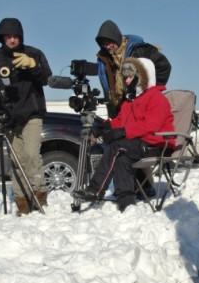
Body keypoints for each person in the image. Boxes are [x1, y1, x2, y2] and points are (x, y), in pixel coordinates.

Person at [73, 57, 174, 212]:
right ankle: (126, 202)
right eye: (125, 77)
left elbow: (151, 125)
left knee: (117, 146)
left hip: (158, 143)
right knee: (121, 157)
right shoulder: (130, 101)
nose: (126, 81)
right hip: (139, 143)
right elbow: (120, 121)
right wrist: (104, 126)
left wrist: (123, 132)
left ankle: (95, 189)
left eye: (130, 77)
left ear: (142, 76)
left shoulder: (157, 98)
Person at [0, 17, 52, 214]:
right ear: (2, 37)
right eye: (8, 36)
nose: (12, 40)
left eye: (16, 36)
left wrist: (32, 65)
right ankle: (22, 201)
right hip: (8, 116)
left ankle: (39, 195)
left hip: (32, 113)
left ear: (21, 36)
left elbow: (46, 78)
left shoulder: (34, 53)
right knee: (17, 161)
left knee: (32, 155)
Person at [94, 19, 172, 118]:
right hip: (120, 108)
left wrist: (149, 93)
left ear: (116, 38)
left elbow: (164, 67)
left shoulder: (139, 50)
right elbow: (108, 87)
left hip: (139, 105)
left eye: (109, 42)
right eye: (104, 44)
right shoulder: (104, 59)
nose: (107, 46)